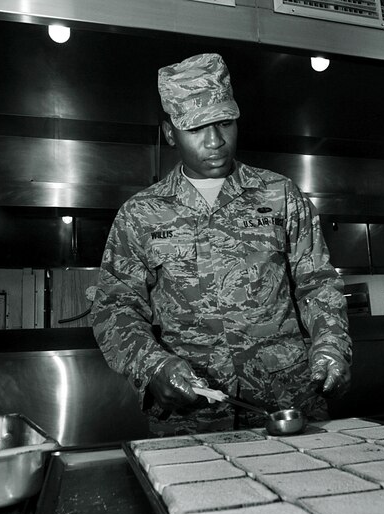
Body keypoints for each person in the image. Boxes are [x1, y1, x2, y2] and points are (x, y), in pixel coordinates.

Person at [91, 53, 351, 435]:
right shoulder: (141, 214)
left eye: (225, 123)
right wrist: (152, 366)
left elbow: (318, 284)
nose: (215, 142)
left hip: (287, 403)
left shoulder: (280, 195)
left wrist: (331, 347)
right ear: (169, 134)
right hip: (191, 415)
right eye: (197, 129)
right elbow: (115, 307)